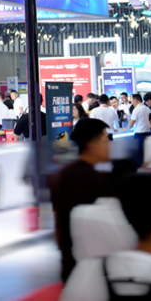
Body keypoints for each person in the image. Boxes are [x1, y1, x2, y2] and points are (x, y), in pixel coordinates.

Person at [49, 119, 110, 282]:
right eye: (105, 140)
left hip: (75, 257)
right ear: (90, 145)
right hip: (88, 259)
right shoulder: (92, 178)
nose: (109, 145)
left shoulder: (65, 174)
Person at [125, 94, 151, 166]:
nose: (132, 103)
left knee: (139, 156)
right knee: (147, 155)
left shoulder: (136, 109)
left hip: (139, 135)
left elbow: (132, 122)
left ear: (136, 100)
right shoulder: (148, 109)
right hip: (148, 134)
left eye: (132, 101)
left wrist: (126, 129)